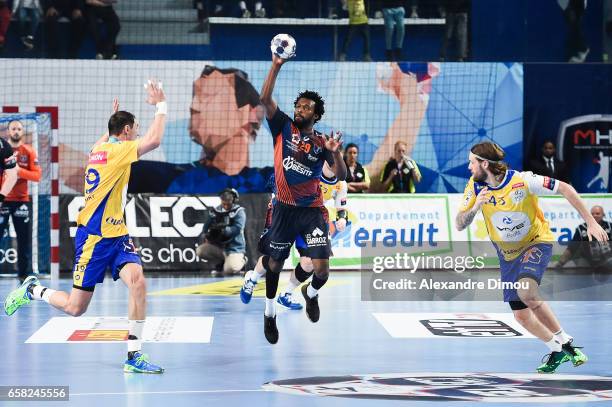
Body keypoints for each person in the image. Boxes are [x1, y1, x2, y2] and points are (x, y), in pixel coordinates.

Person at [4, 80, 168, 374]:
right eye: (136, 128)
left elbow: (105, 140)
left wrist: (110, 122)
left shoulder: (100, 148)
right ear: (127, 131)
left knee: (138, 282)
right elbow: (154, 140)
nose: (139, 132)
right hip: (94, 238)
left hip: (117, 236)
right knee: (75, 308)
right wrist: (161, 104)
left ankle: (134, 356)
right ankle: (33, 291)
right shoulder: (118, 152)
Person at [456, 141, 608, 373]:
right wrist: (476, 206)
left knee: (527, 291)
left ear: (484, 164)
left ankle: (566, 343)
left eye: (471, 162)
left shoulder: (523, 181)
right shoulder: (475, 188)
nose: (469, 167)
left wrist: (590, 221)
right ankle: (556, 350)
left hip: (535, 242)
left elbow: (566, 188)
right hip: (507, 254)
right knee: (521, 317)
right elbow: (459, 224)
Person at [255, 50, 346, 344]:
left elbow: (341, 175)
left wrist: (334, 152)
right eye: (298, 105)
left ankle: (311, 292)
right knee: (273, 264)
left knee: (322, 270)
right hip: (283, 209)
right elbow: (265, 98)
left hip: (312, 211)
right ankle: (270, 313)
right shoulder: (282, 126)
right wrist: (276, 64)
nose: (300, 109)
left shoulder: (322, 143)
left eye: (306, 107)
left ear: (316, 115)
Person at [240, 162, 349, 310]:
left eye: (336, 160)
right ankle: (252, 280)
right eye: (329, 160)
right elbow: (277, 178)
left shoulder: (341, 184)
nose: (332, 163)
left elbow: (341, 207)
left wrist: (342, 218)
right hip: (285, 212)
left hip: (310, 217)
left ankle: (286, 294)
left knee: (310, 262)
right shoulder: (308, 168)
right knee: (275, 257)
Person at [0, 120, 41, 283]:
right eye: (13, 129)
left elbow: (37, 176)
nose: (16, 131)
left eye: (19, 129)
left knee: (24, 239)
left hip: (21, 200)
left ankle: (24, 274)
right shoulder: (3, 149)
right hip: (3, 200)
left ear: (22, 132)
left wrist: (18, 171)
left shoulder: (29, 151)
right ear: (8, 131)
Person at [196, 188, 247, 276]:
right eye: (224, 203)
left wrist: (224, 230)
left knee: (229, 270)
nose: (226, 206)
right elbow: (205, 228)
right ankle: (221, 261)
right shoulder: (215, 211)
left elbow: (237, 228)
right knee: (200, 250)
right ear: (221, 200)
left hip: (234, 248)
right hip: (219, 247)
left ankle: (242, 260)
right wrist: (207, 236)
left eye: (228, 203)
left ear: (233, 200)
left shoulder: (239, 211)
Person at [557, 205, 612, 269]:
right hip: (587, 262)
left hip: (607, 260)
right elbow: (571, 248)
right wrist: (560, 264)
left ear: (603, 215)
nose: (595, 216)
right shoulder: (581, 228)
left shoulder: (610, 226)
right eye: (592, 214)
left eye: (597, 213)